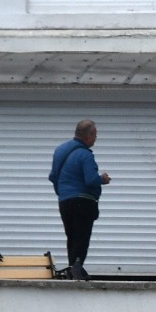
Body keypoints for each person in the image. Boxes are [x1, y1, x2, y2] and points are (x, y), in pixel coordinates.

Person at [48, 118, 110, 280]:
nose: (96, 138)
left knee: (72, 236)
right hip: (83, 201)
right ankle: (77, 267)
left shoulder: (60, 150)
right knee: (81, 237)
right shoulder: (85, 155)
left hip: (65, 201)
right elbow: (90, 180)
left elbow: (53, 176)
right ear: (88, 135)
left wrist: (62, 194)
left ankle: (72, 268)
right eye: (95, 135)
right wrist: (102, 179)